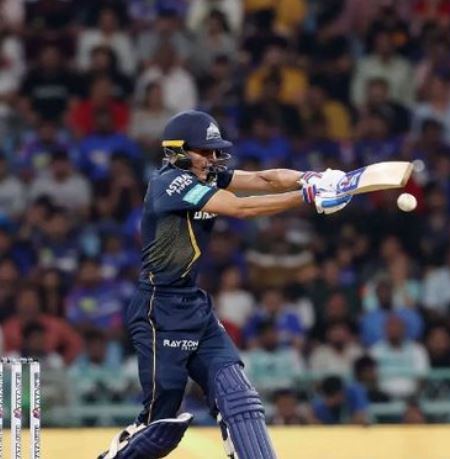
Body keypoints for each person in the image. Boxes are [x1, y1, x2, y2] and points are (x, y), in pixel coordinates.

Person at [98, 109, 352, 459]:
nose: (213, 158)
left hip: (194, 304)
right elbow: (240, 209)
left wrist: (313, 177)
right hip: (160, 309)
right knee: (160, 429)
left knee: (239, 398)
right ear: (178, 150)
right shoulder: (170, 183)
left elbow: (264, 179)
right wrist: (307, 197)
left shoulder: (205, 176)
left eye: (216, 150)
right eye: (205, 151)